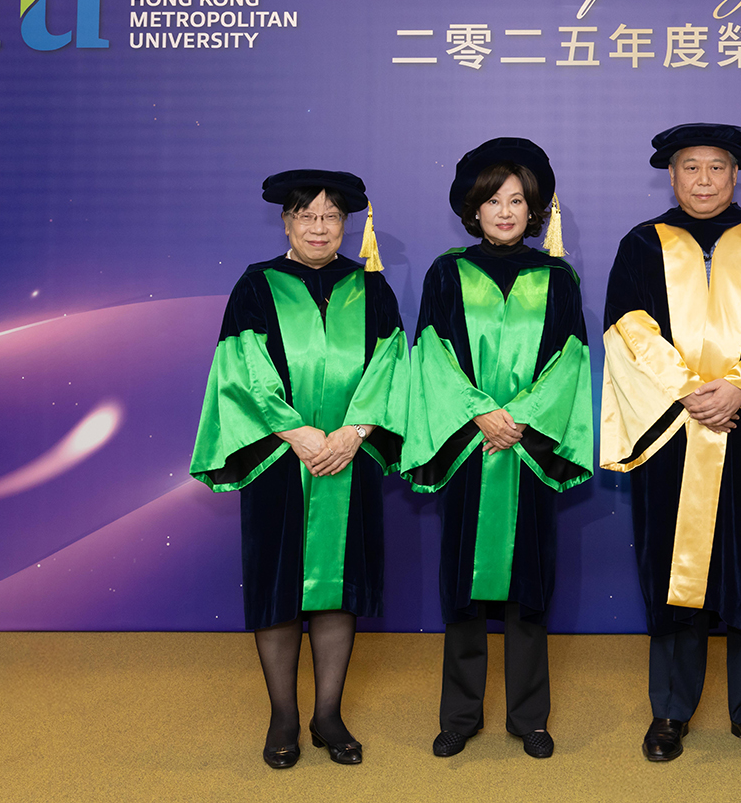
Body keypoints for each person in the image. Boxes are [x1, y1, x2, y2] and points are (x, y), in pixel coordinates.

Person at [600, 123, 741, 763]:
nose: (703, 180)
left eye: (717, 167)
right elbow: (627, 327)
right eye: (690, 167)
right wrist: (690, 391)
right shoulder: (643, 244)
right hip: (673, 430)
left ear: (737, 174)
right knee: (674, 569)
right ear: (671, 176)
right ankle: (670, 711)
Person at [190, 169, 407, 769]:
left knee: (339, 589)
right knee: (279, 586)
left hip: (350, 457)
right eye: (306, 215)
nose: (319, 226)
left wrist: (355, 432)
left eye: (331, 216)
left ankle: (328, 714)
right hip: (278, 459)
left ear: (346, 225)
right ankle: (283, 716)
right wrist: (297, 432)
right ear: (286, 222)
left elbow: (391, 363)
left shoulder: (371, 288)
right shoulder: (257, 285)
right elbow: (242, 365)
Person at [402, 138, 593, 761]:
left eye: (516, 200)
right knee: (462, 583)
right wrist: (480, 413)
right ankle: (459, 715)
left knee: (529, 584)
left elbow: (570, 361)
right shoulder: (446, 272)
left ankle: (529, 717)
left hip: (528, 450)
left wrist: (523, 419)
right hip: (468, 447)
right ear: (474, 208)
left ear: (534, 209)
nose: (505, 212)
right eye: (493, 201)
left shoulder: (558, 277)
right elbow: (431, 353)